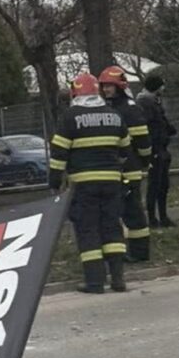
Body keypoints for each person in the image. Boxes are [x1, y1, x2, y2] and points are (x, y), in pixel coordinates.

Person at [49, 72, 130, 293]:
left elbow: (58, 154)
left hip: (84, 185)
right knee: (112, 227)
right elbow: (125, 149)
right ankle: (118, 279)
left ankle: (95, 282)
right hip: (112, 182)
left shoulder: (69, 117)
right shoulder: (114, 115)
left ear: (75, 93)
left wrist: (55, 182)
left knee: (88, 229)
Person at [98, 65, 151, 263]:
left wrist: (143, 161)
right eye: (103, 86)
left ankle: (140, 253)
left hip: (130, 169)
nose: (106, 90)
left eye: (109, 86)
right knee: (121, 212)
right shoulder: (111, 108)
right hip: (117, 169)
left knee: (133, 212)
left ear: (119, 86)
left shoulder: (129, 108)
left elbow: (143, 141)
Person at [135, 72, 178, 228]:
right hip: (154, 149)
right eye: (162, 85)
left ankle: (163, 217)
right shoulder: (145, 103)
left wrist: (169, 129)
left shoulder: (153, 102)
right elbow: (150, 126)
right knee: (155, 185)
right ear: (156, 87)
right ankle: (153, 218)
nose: (164, 88)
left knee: (163, 185)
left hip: (161, 148)